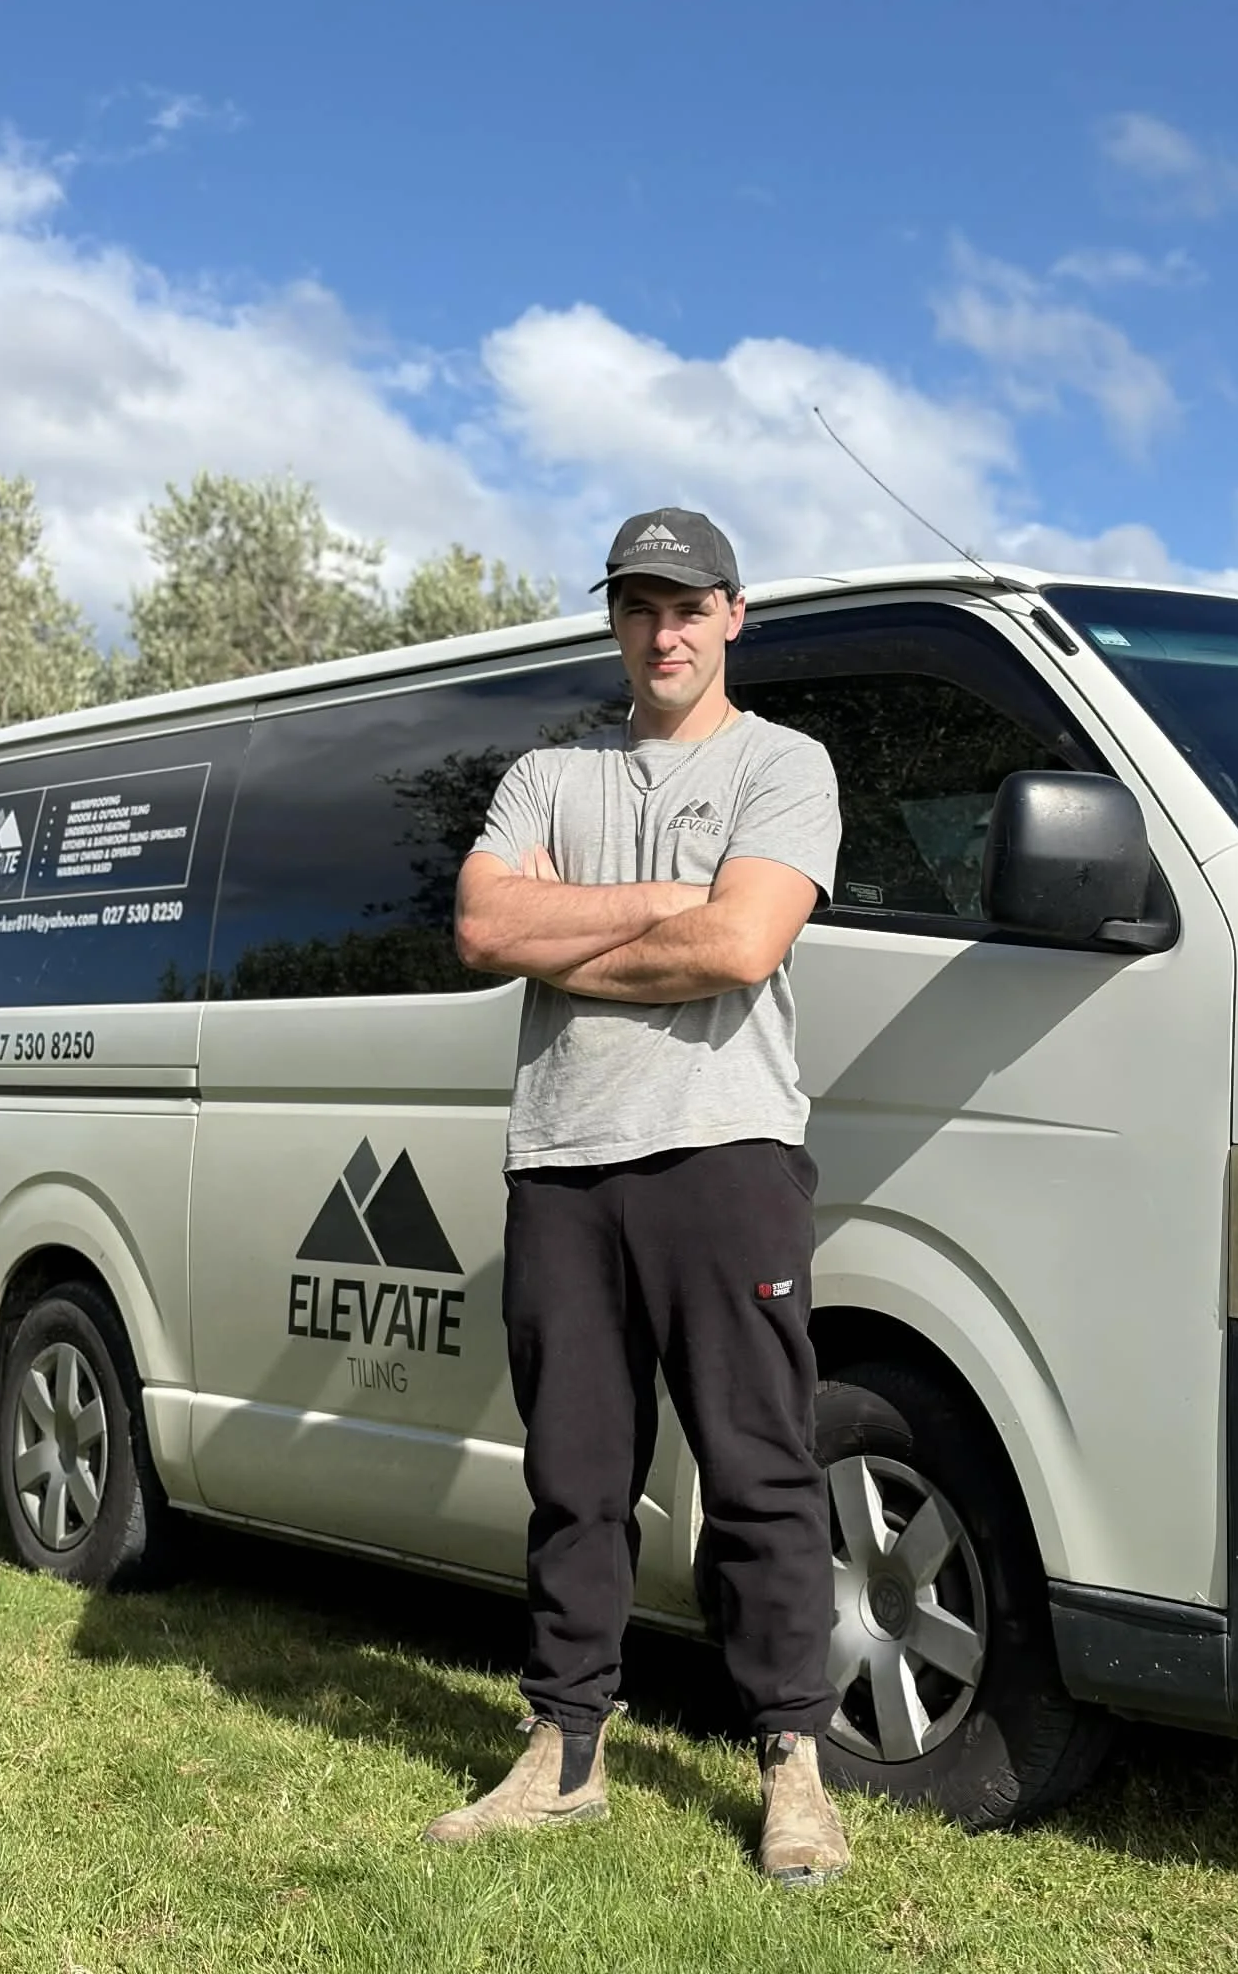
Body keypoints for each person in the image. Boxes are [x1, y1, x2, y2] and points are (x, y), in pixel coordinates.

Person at [423, 507, 847, 1888]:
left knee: (760, 1469)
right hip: (561, 1165)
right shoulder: (547, 773)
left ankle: (794, 1763)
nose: (662, 633)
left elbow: (739, 945)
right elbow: (484, 928)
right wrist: (661, 898)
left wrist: (580, 934)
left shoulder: (785, 765)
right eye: (637, 607)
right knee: (575, 1480)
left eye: (688, 607)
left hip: (726, 1155)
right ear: (612, 620)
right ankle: (565, 1754)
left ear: (734, 615)